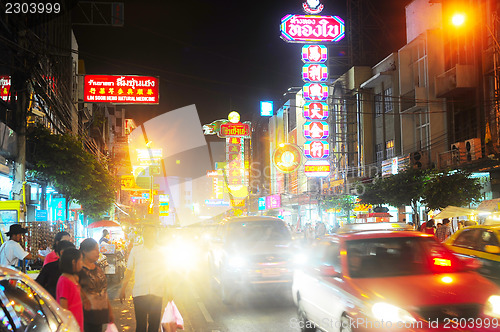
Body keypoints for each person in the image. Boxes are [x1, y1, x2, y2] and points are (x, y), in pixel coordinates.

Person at [120, 226, 167, 332]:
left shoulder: (162, 251)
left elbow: (166, 271)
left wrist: (169, 289)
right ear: (143, 235)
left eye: (152, 232)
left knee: (154, 325)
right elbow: (129, 270)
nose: (149, 234)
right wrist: (123, 289)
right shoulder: (136, 250)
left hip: (157, 293)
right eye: (147, 232)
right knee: (140, 325)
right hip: (140, 293)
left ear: (155, 235)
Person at [79, 238, 114, 332]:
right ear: (85, 251)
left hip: (100, 314)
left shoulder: (97, 268)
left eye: (98, 250)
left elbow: (104, 290)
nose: (98, 252)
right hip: (86, 316)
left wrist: (109, 310)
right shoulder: (79, 271)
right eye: (95, 250)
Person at [57, 248, 84, 332]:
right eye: (81, 260)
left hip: (77, 324)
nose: (82, 264)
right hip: (70, 326)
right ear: (73, 262)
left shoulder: (73, 278)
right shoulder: (64, 281)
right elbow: (63, 307)